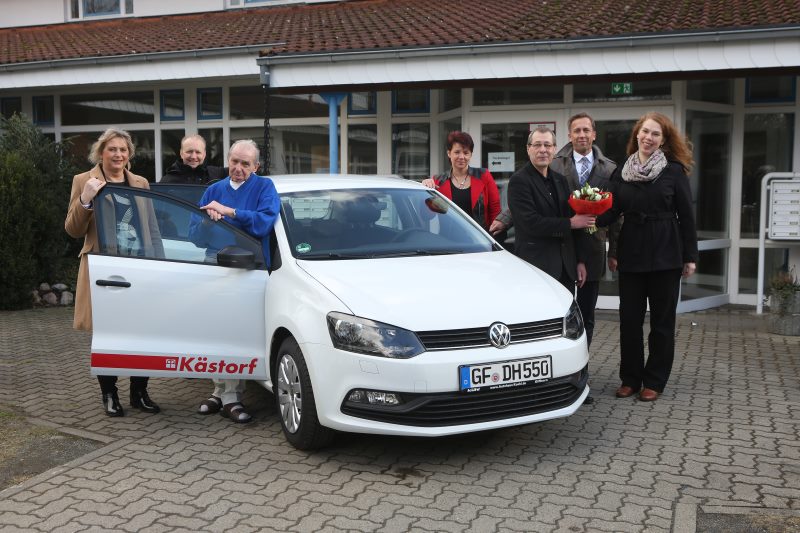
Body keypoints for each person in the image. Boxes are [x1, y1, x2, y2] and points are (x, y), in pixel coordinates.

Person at [597, 111, 698, 402]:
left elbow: (687, 216)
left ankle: (654, 380)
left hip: (666, 253)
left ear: (663, 140)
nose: (649, 138)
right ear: (636, 135)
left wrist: (689, 256)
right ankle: (630, 378)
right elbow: (613, 210)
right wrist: (589, 218)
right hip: (632, 253)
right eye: (645, 132)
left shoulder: (674, 171)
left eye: (655, 134)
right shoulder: (622, 171)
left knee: (662, 323)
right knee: (629, 321)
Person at [64, 128, 164, 417]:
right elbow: (72, 230)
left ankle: (139, 392)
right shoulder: (84, 181)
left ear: (129, 154)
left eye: (122, 150)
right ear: (101, 153)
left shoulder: (140, 183)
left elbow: (152, 227)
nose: (118, 154)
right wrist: (85, 200)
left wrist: (158, 263)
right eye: (112, 149)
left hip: (138, 267)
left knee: (142, 332)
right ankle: (109, 395)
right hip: (104, 271)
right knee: (108, 334)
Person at [192, 139, 280, 423]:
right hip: (213, 267)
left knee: (237, 333)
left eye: (245, 163)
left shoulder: (264, 187)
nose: (238, 168)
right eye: (234, 161)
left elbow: (265, 222)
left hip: (248, 270)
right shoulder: (213, 190)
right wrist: (209, 219)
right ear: (227, 160)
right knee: (214, 332)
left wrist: (229, 212)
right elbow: (194, 235)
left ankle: (232, 397)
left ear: (256, 166)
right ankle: (219, 392)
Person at [550, 113, 618, 346]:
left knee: (588, 313)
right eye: (577, 131)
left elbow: (618, 216)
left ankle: (584, 362)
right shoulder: (555, 164)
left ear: (594, 134)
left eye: (586, 130)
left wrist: (614, 252)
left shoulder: (609, 169)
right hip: (563, 246)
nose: (582, 135)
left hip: (593, 248)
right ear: (569, 135)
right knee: (561, 310)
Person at [507, 126, 595, 291]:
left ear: (554, 149)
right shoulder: (519, 181)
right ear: (528, 149)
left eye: (547, 145)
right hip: (536, 267)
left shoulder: (561, 180)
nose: (543, 150)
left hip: (565, 267)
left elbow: (574, 219)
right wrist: (570, 223)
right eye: (537, 145)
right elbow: (530, 223)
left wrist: (580, 261)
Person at [421, 131, 502, 232]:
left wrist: (494, 237)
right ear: (449, 153)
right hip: (450, 241)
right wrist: (425, 189)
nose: (461, 157)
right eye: (457, 152)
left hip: (480, 240)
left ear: (471, 154)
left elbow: (495, 210)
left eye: (466, 152)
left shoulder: (483, 175)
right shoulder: (438, 181)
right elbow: (426, 216)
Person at [160, 134, 226, 184]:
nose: (193, 156)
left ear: (204, 154)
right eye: (189, 152)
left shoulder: (216, 173)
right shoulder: (167, 181)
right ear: (181, 153)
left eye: (198, 152)